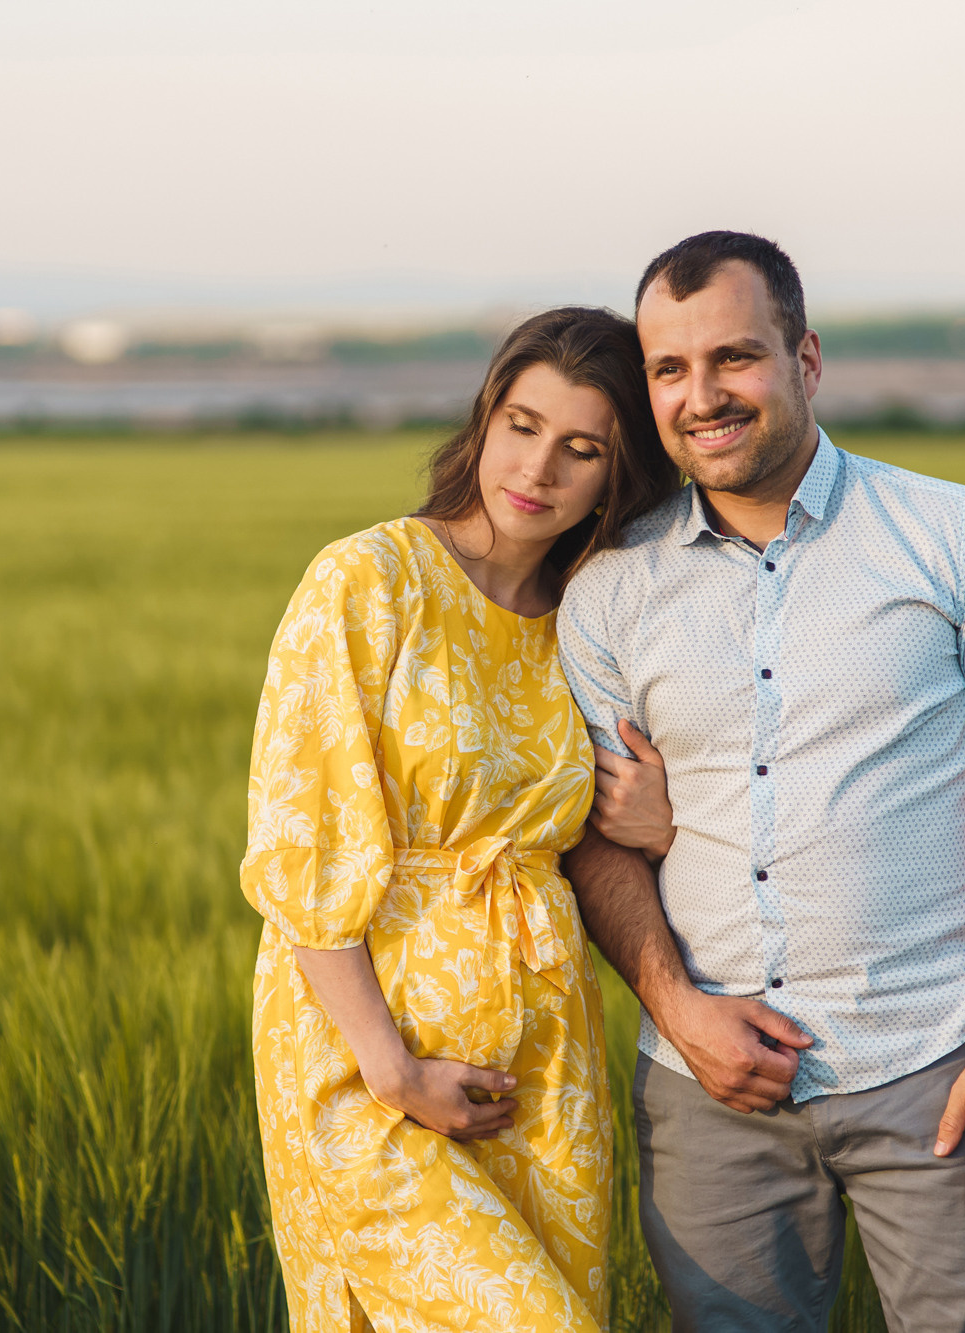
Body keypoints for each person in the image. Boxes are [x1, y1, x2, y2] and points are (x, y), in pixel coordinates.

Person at [561, 232, 965, 1331]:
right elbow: (598, 835)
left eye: (733, 359)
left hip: (938, 1071)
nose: (701, 395)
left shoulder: (952, 533)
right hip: (707, 1089)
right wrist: (674, 1006)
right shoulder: (608, 588)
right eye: (669, 370)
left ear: (804, 360)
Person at [241, 306, 680, 1332]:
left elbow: (599, 837)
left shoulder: (593, 621)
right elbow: (301, 848)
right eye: (520, 425)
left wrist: (656, 827)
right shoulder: (368, 581)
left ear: (619, 475)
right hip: (362, 1062)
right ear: (484, 417)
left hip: (541, 1062)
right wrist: (391, 1072)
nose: (537, 469)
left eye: (582, 448)